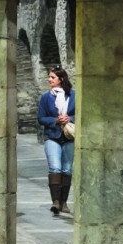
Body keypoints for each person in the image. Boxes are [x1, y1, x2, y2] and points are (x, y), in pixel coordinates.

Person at [37, 66, 75, 215]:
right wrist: (56, 120)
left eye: (52, 77)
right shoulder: (46, 97)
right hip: (52, 136)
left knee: (67, 169)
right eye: (49, 77)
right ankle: (55, 202)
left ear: (61, 79)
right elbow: (41, 118)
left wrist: (69, 118)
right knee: (55, 168)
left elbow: (80, 114)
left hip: (68, 136)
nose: (49, 80)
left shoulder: (73, 96)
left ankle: (64, 202)